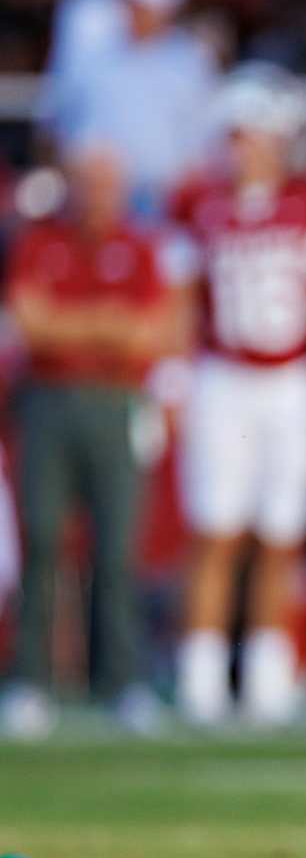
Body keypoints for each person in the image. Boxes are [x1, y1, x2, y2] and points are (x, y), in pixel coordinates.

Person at [166, 64, 306, 725]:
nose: (249, 146)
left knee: (281, 533)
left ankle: (268, 680)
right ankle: (202, 681)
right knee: (214, 531)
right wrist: (172, 377)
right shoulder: (199, 203)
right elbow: (178, 299)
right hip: (223, 378)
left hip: (291, 382)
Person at [3, 140, 179, 738]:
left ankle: (123, 680)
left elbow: (155, 331)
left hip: (116, 403)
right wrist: (107, 325)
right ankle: (31, 679)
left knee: (118, 547)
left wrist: (74, 327)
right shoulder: (40, 242)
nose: (95, 194)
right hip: (48, 404)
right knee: (44, 540)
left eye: (105, 182)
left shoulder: (139, 246)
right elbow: (31, 322)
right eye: (86, 181)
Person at [39, 0, 218, 214]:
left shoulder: (190, 62)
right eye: (132, 2)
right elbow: (69, 132)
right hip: (105, 206)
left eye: (145, 5)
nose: (137, 13)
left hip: (172, 204)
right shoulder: (96, 59)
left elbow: (203, 138)